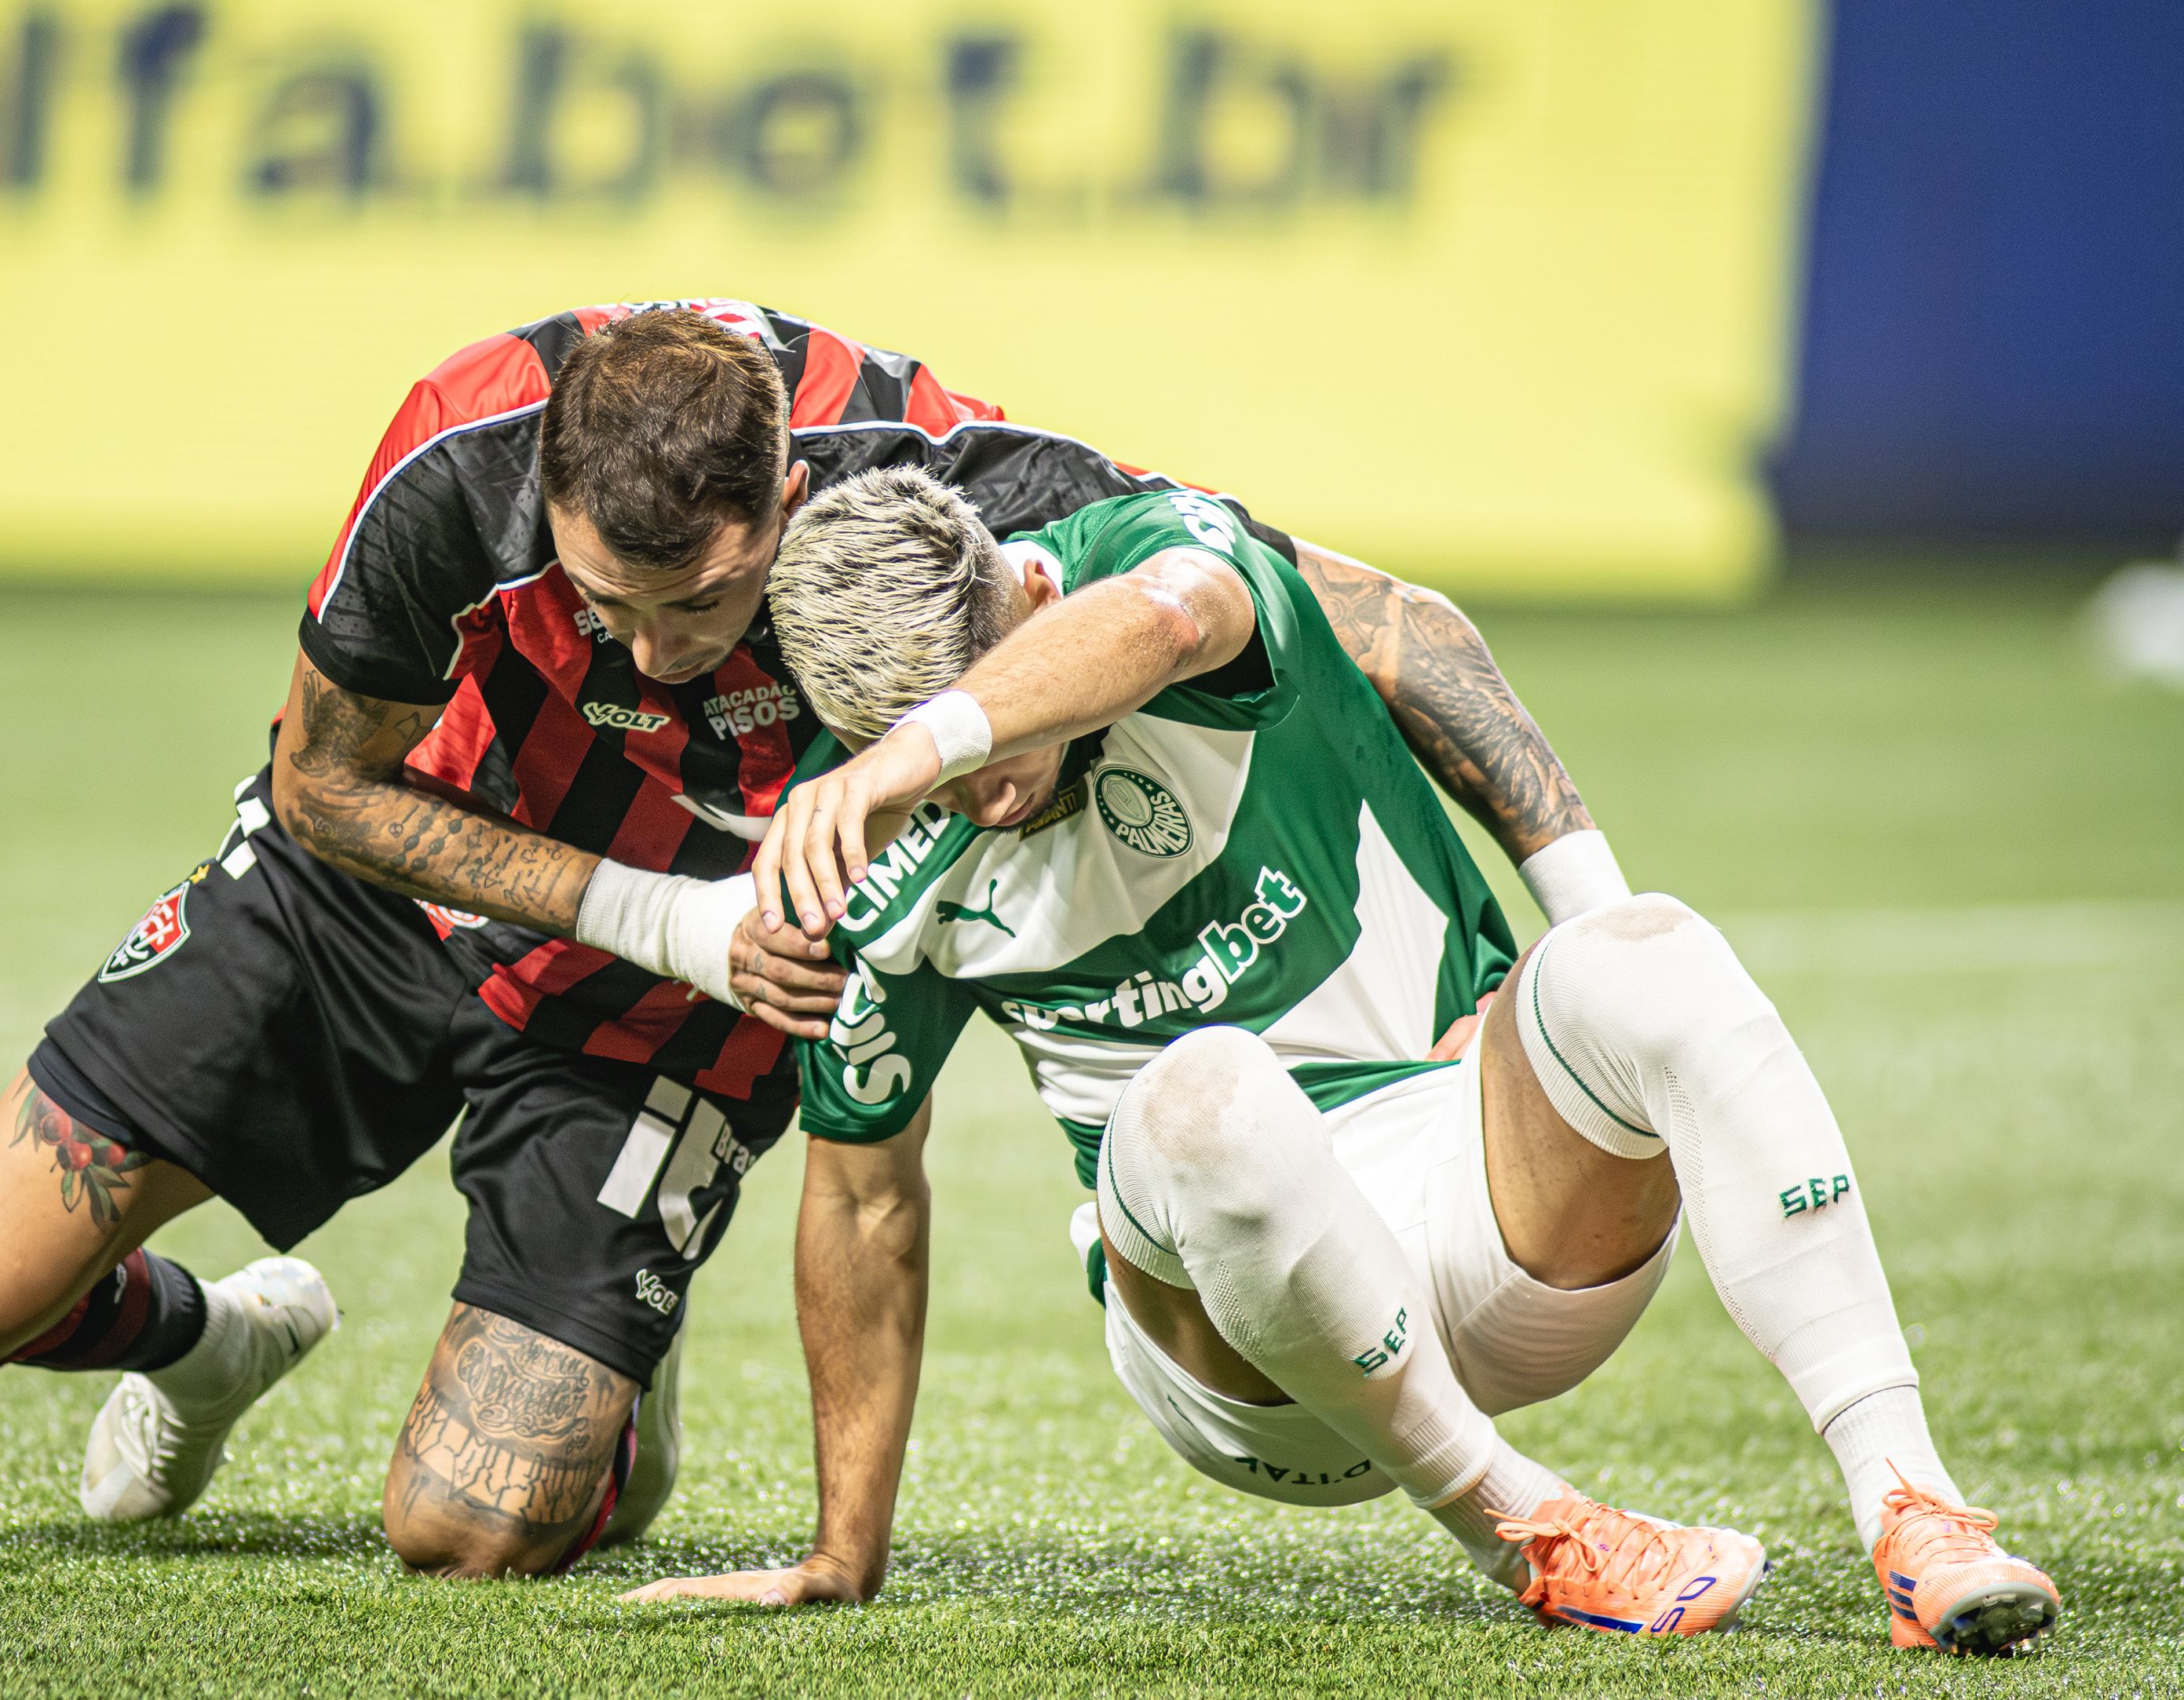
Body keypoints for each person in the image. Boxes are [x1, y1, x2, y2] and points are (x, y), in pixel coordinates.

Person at [0, 301, 1590, 1578]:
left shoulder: (940, 473)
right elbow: (327, 787)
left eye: (699, 602)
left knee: (468, 1532)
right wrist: (658, 913)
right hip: (388, 900)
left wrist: (1585, 929)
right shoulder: (452, 465)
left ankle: (623, 1364)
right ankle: (210, 1345)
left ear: (788, 494)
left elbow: (1377, 620)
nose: (652, 652)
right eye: (602, 604)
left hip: (677, 1009)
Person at [623, 467, 2062, 1654]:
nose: (983, 791)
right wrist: (842, 1550)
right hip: (1252, 1363)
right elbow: (865, 1195)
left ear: (1034, 604)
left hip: (1494, 1213)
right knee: (1202, 1090)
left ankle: (1916, 1510)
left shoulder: (1145, 558)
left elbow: (1181, 614)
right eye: (913, 756)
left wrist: (924, 748)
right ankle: (1527, 1527)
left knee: (1650, 946)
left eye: (982, 731)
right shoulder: (867, 862)